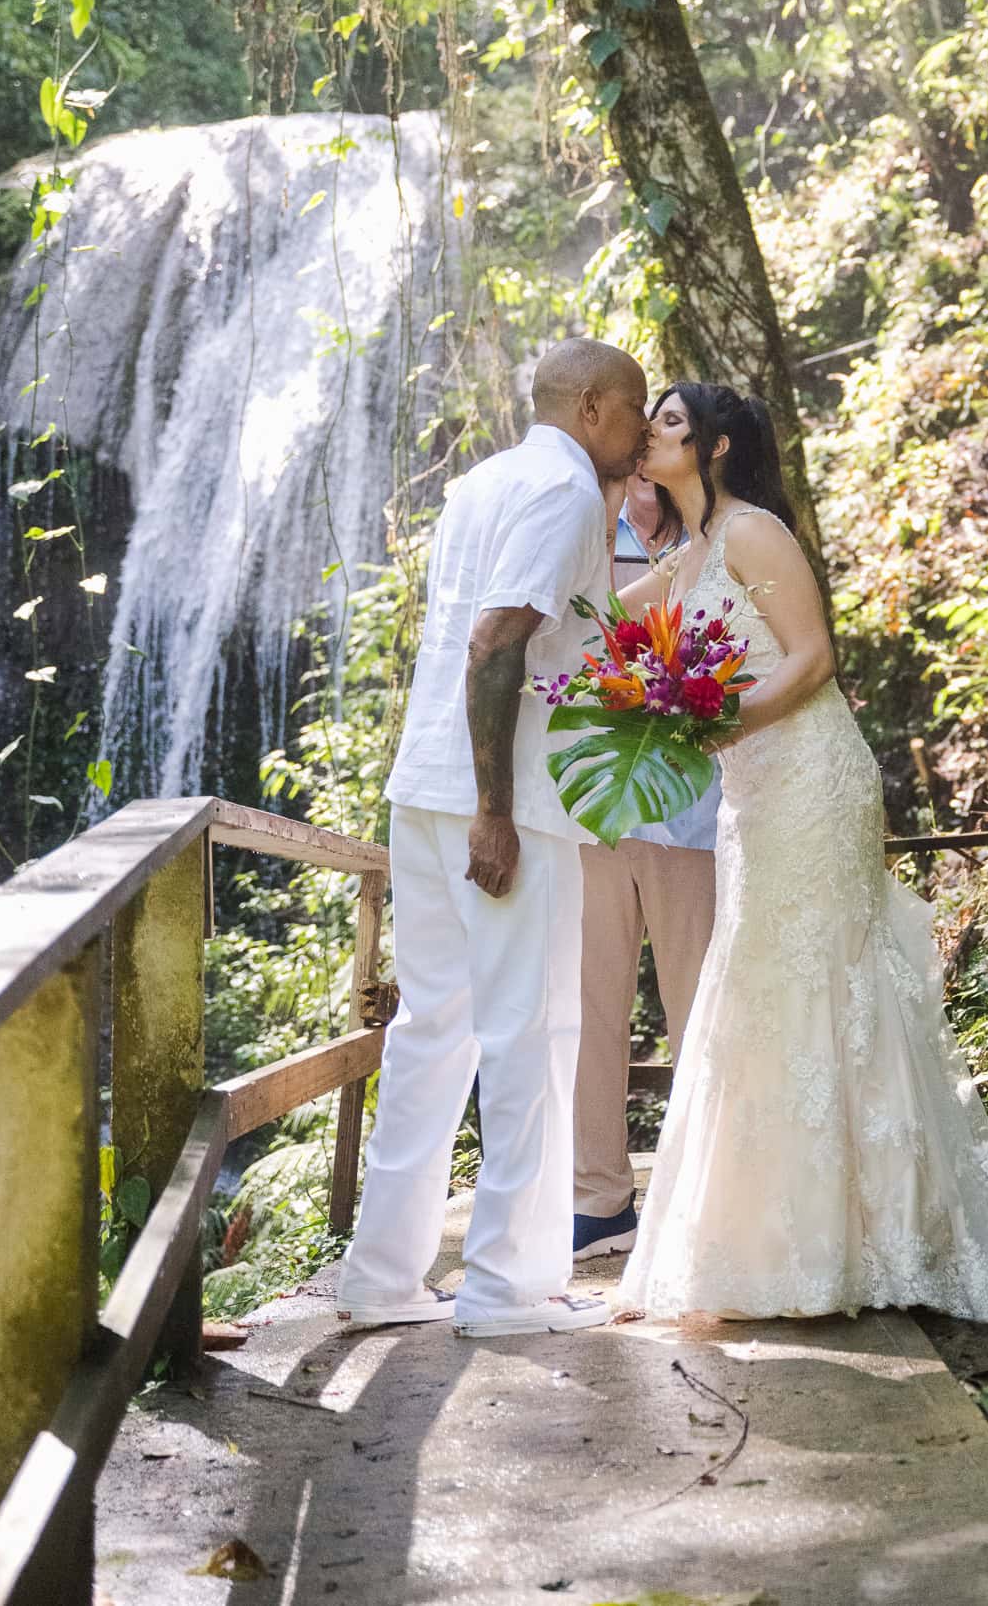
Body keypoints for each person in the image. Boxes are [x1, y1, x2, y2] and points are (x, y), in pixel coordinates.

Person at [616, 383, 988, 1321]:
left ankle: (885, 1237)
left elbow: (813, 659)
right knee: (760, 983)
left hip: (811, 778)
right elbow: (599, 613)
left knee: (826, 976)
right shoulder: (685, 555)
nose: (653, 431)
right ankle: (775, 1243)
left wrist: (719, 719)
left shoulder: (754, 532)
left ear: (718, 447)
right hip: (750, 795)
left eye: (672, 422)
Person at [336, 338, 650, 1338]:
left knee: (434, 1029)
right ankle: (510, 1293)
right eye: (636, 411)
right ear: (594, 405)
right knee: (531, 1031)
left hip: (423, 785)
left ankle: (381, 1278)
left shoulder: (483, 481)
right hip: (498, 800)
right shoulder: (562, 493)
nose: (643, 434)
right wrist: (496, 810)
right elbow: (496, 640)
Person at [572, 470, 719, 1262]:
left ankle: (703, 1193)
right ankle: (597, 1200)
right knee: (591, 1006)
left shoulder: (725, 537)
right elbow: (566, 640)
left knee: (699, 1006)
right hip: (597, 809)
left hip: (693, 812)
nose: (644, 469)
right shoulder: (589, 533)